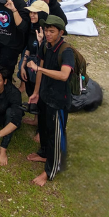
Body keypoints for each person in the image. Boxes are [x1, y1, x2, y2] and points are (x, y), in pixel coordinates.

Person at [26, 15, 75, 186]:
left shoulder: (66, 51)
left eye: (52, 31)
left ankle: (50, 171)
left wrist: (39, 68)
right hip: (45, 96)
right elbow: (41, 70)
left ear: (61, 32)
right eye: (46, 30)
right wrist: (37, 92)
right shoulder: (46, 46)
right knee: (44, 129)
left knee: (56, 136)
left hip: (59, 101)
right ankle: (44, 154)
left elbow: (63, 75)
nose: (48, 34)